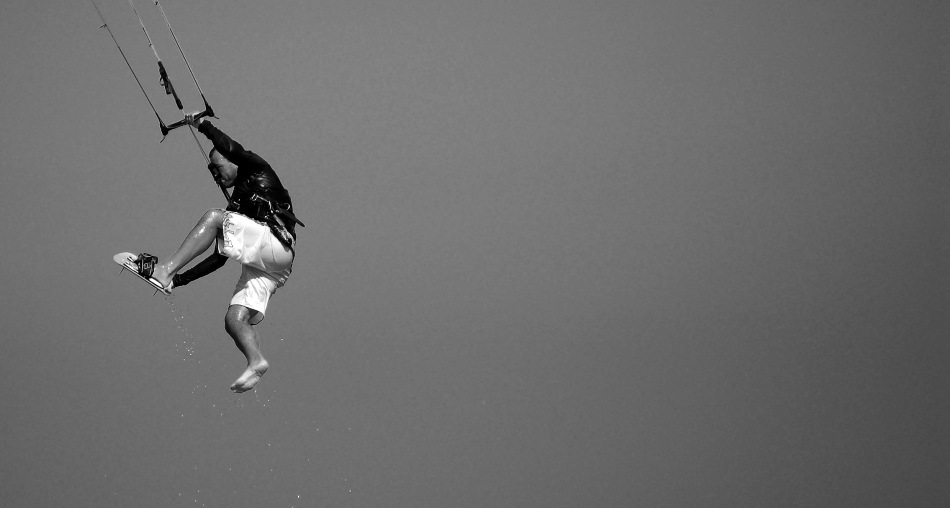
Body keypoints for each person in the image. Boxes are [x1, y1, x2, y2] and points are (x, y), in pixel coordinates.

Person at [128, 113, 304, 393]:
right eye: (211, 170)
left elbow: (232, 148)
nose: (215, 174)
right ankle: (256, 361)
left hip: (277, 244)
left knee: (213, 217)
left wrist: (202, 125)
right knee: (234, 319)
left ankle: (164, 270)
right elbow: (219, 259)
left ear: (233, 162)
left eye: (218, 167)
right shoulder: (236, 205)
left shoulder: (258, 169)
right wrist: (180, 281)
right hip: (270, 266)